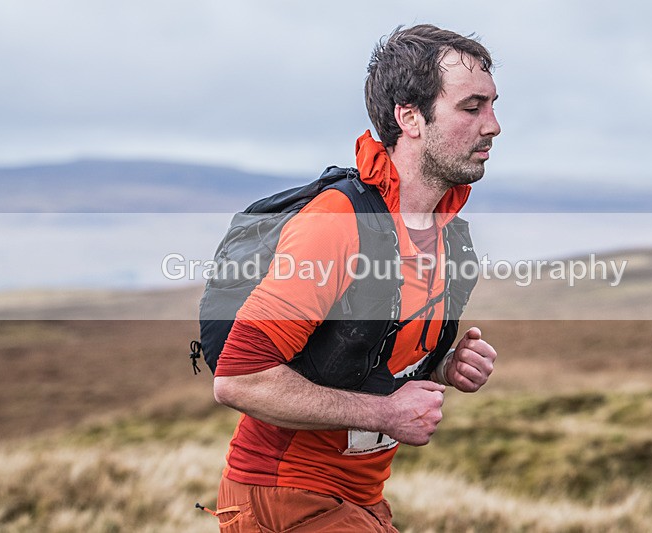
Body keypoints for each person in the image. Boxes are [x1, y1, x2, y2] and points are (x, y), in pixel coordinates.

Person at [211, 24, 501, 532]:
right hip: (284, 496)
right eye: (471, 108)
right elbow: (239, 378)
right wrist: (385, 415)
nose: (493, 125)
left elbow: (362, 359)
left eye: (492, 105)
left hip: (361, 500)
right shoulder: (338, 223)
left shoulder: (448, 236)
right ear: (410, 118)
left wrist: (443, 368)